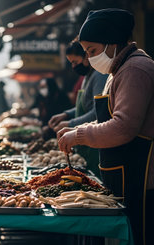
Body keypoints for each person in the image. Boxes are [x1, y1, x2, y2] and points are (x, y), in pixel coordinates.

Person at [56, 9, 154, 245]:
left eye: (92, 51)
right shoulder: (120, 68)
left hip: (146, 174)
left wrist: (79, 134)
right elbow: (108, 119)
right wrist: (75, 131)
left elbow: (123, 127)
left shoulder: (134, 70)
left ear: (111, 43)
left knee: (140, 236)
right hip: (132, 172)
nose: (90, 58)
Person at [48, 40, 108, 174]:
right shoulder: (87, 76)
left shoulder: (99, 76)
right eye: (71, 63)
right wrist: (66, 114)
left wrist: (70, 123)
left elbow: (97, 112)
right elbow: (84, 106)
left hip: (94, 142)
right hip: (85, 141)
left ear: (86, 57)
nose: (74, 66)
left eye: (75, 62)